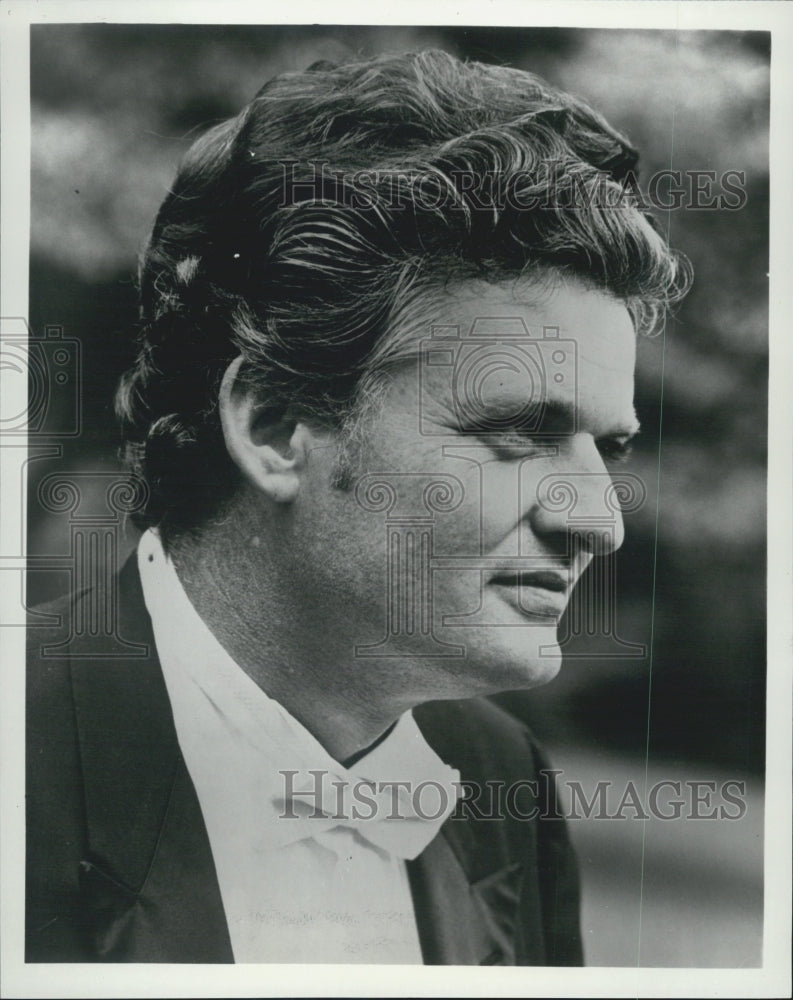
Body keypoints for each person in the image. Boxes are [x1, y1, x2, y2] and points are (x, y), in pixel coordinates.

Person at [25, 49, 690, 964]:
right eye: (517, 432)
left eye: (609, 448)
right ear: (275, 426)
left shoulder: (503, 785)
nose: (600, 522)